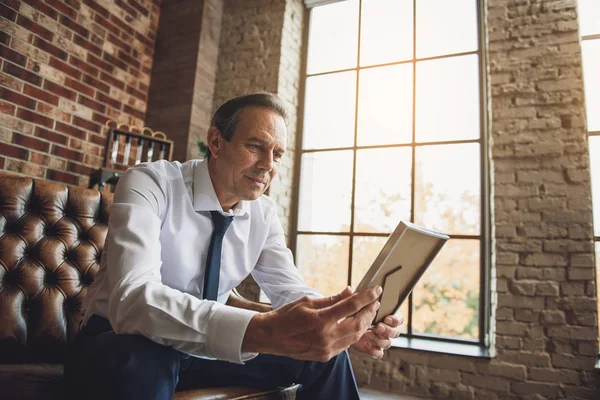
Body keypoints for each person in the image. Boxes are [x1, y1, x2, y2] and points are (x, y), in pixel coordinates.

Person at [64, 92, 403, 400]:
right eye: (256, 146)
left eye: (278, 154)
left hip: (203, 350)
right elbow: (133, 299)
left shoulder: (264, 214)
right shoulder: (150, 182)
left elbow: (291, 291)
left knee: (325, 357)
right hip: (116, 342)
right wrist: (258, 330)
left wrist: (341, 324)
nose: (268, 164)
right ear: (216, 141)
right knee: (146, 357)